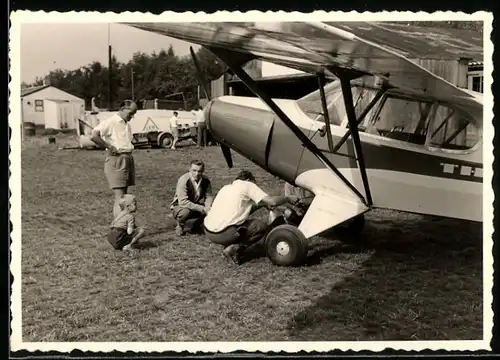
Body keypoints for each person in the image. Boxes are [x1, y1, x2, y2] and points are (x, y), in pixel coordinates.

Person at [203, 170, 300, 264]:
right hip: (225, 233)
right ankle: (235, 247)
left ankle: (230, 245)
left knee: (237, 223)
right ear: (250, 180)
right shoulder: (248, 185)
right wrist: (288, 198)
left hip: (209, 232)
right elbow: (272, 201)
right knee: (261, 226)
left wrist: (261, 205)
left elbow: (238, 211)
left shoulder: (226, 188)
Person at [91, 99, 138, 219]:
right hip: (117, 160)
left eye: (134, 114)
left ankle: (123, 224)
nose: (132, 116)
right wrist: (108, 146)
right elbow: (94, 135)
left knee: (125, 197)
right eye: (131, 113)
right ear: (122, 109)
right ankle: (119, 227)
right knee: (120, 197)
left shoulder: (126, 124)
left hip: (127, 159)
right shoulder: (111, 121)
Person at [170, 160, 214, 236]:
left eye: (199, 171)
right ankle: (180, 225)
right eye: (194, 170)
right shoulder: (183, 180)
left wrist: (208, 207)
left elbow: (209, 196)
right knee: (185, 213)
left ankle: (199, 225)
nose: (197, 174)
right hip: (180, 206)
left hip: (195, 203)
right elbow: (183, 201)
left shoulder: (205, 180)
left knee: (213, 210)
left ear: (203, 171)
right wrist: (202, 209)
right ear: (189, 169)